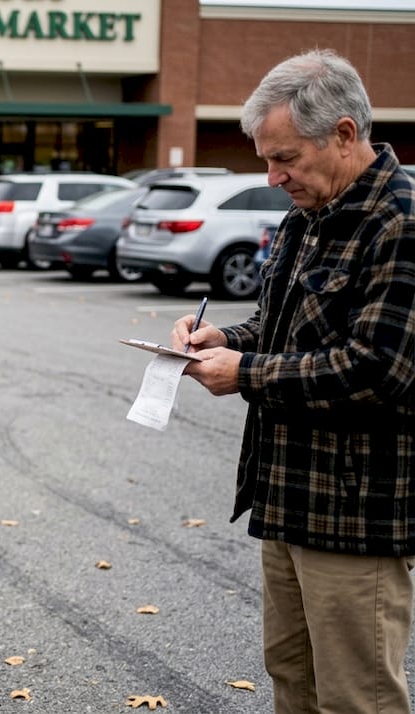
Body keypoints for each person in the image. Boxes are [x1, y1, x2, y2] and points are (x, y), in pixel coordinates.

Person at [169, 49, 415, 714]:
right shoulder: (305, 215)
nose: (273, 177)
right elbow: (279, 322)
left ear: (342, 133)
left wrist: (246, 372)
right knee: (292, 678)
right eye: (267, 160)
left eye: (285, 159)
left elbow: (379, 368)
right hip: (289, 498)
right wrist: (227, 338)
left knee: (356, 697)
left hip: (356, 510)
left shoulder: (401, 222)